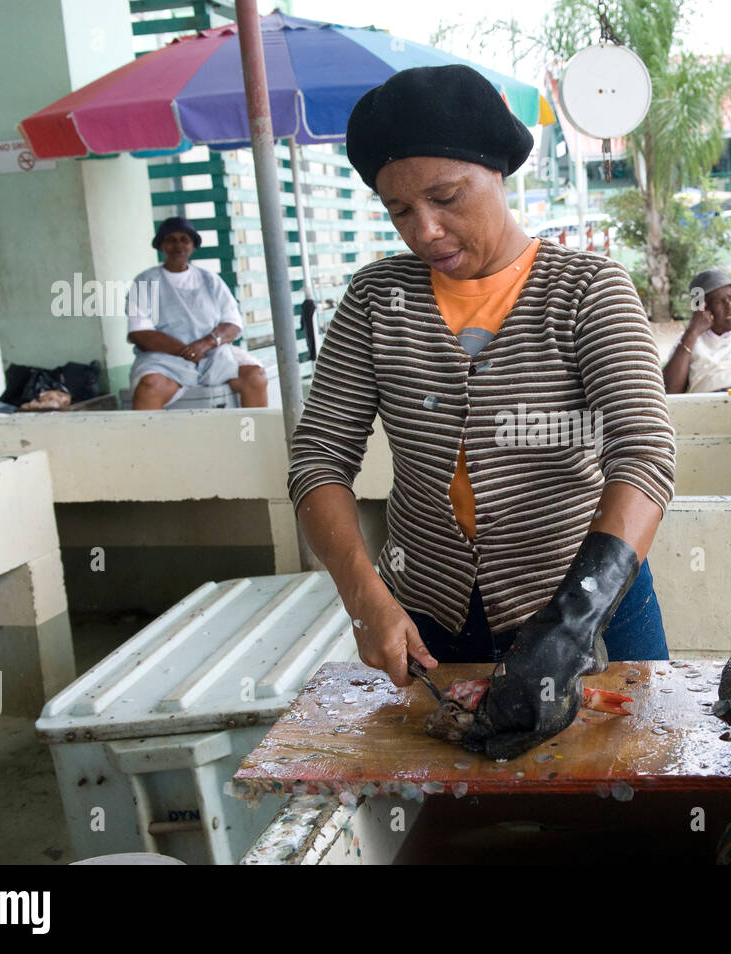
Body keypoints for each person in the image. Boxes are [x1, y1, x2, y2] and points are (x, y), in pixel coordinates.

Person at [286, 65, 676, 759]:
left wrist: (568, 625)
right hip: (429, 621)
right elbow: (319, 455)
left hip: (590, 606)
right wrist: (366, 597)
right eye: (399, 210)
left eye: (445, 196)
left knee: (623, 783)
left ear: (497, 171)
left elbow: (643, 454)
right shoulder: (377, 300)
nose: (426, 229)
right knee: (457, 801)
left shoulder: (588, 291)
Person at [126, 216, 268, 409]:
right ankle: (146, 440)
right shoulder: (145, 282)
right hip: (164, 360)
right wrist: (186, 352)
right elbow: (139, 332)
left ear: (193, 245)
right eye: (171, 240)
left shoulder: (210, 280)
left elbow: (232, 324)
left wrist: (206, 343)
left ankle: (254, 438)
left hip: (212, 355)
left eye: (184, 239)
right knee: (149, 387)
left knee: (255, 377)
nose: (178, 245)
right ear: (161, 246)